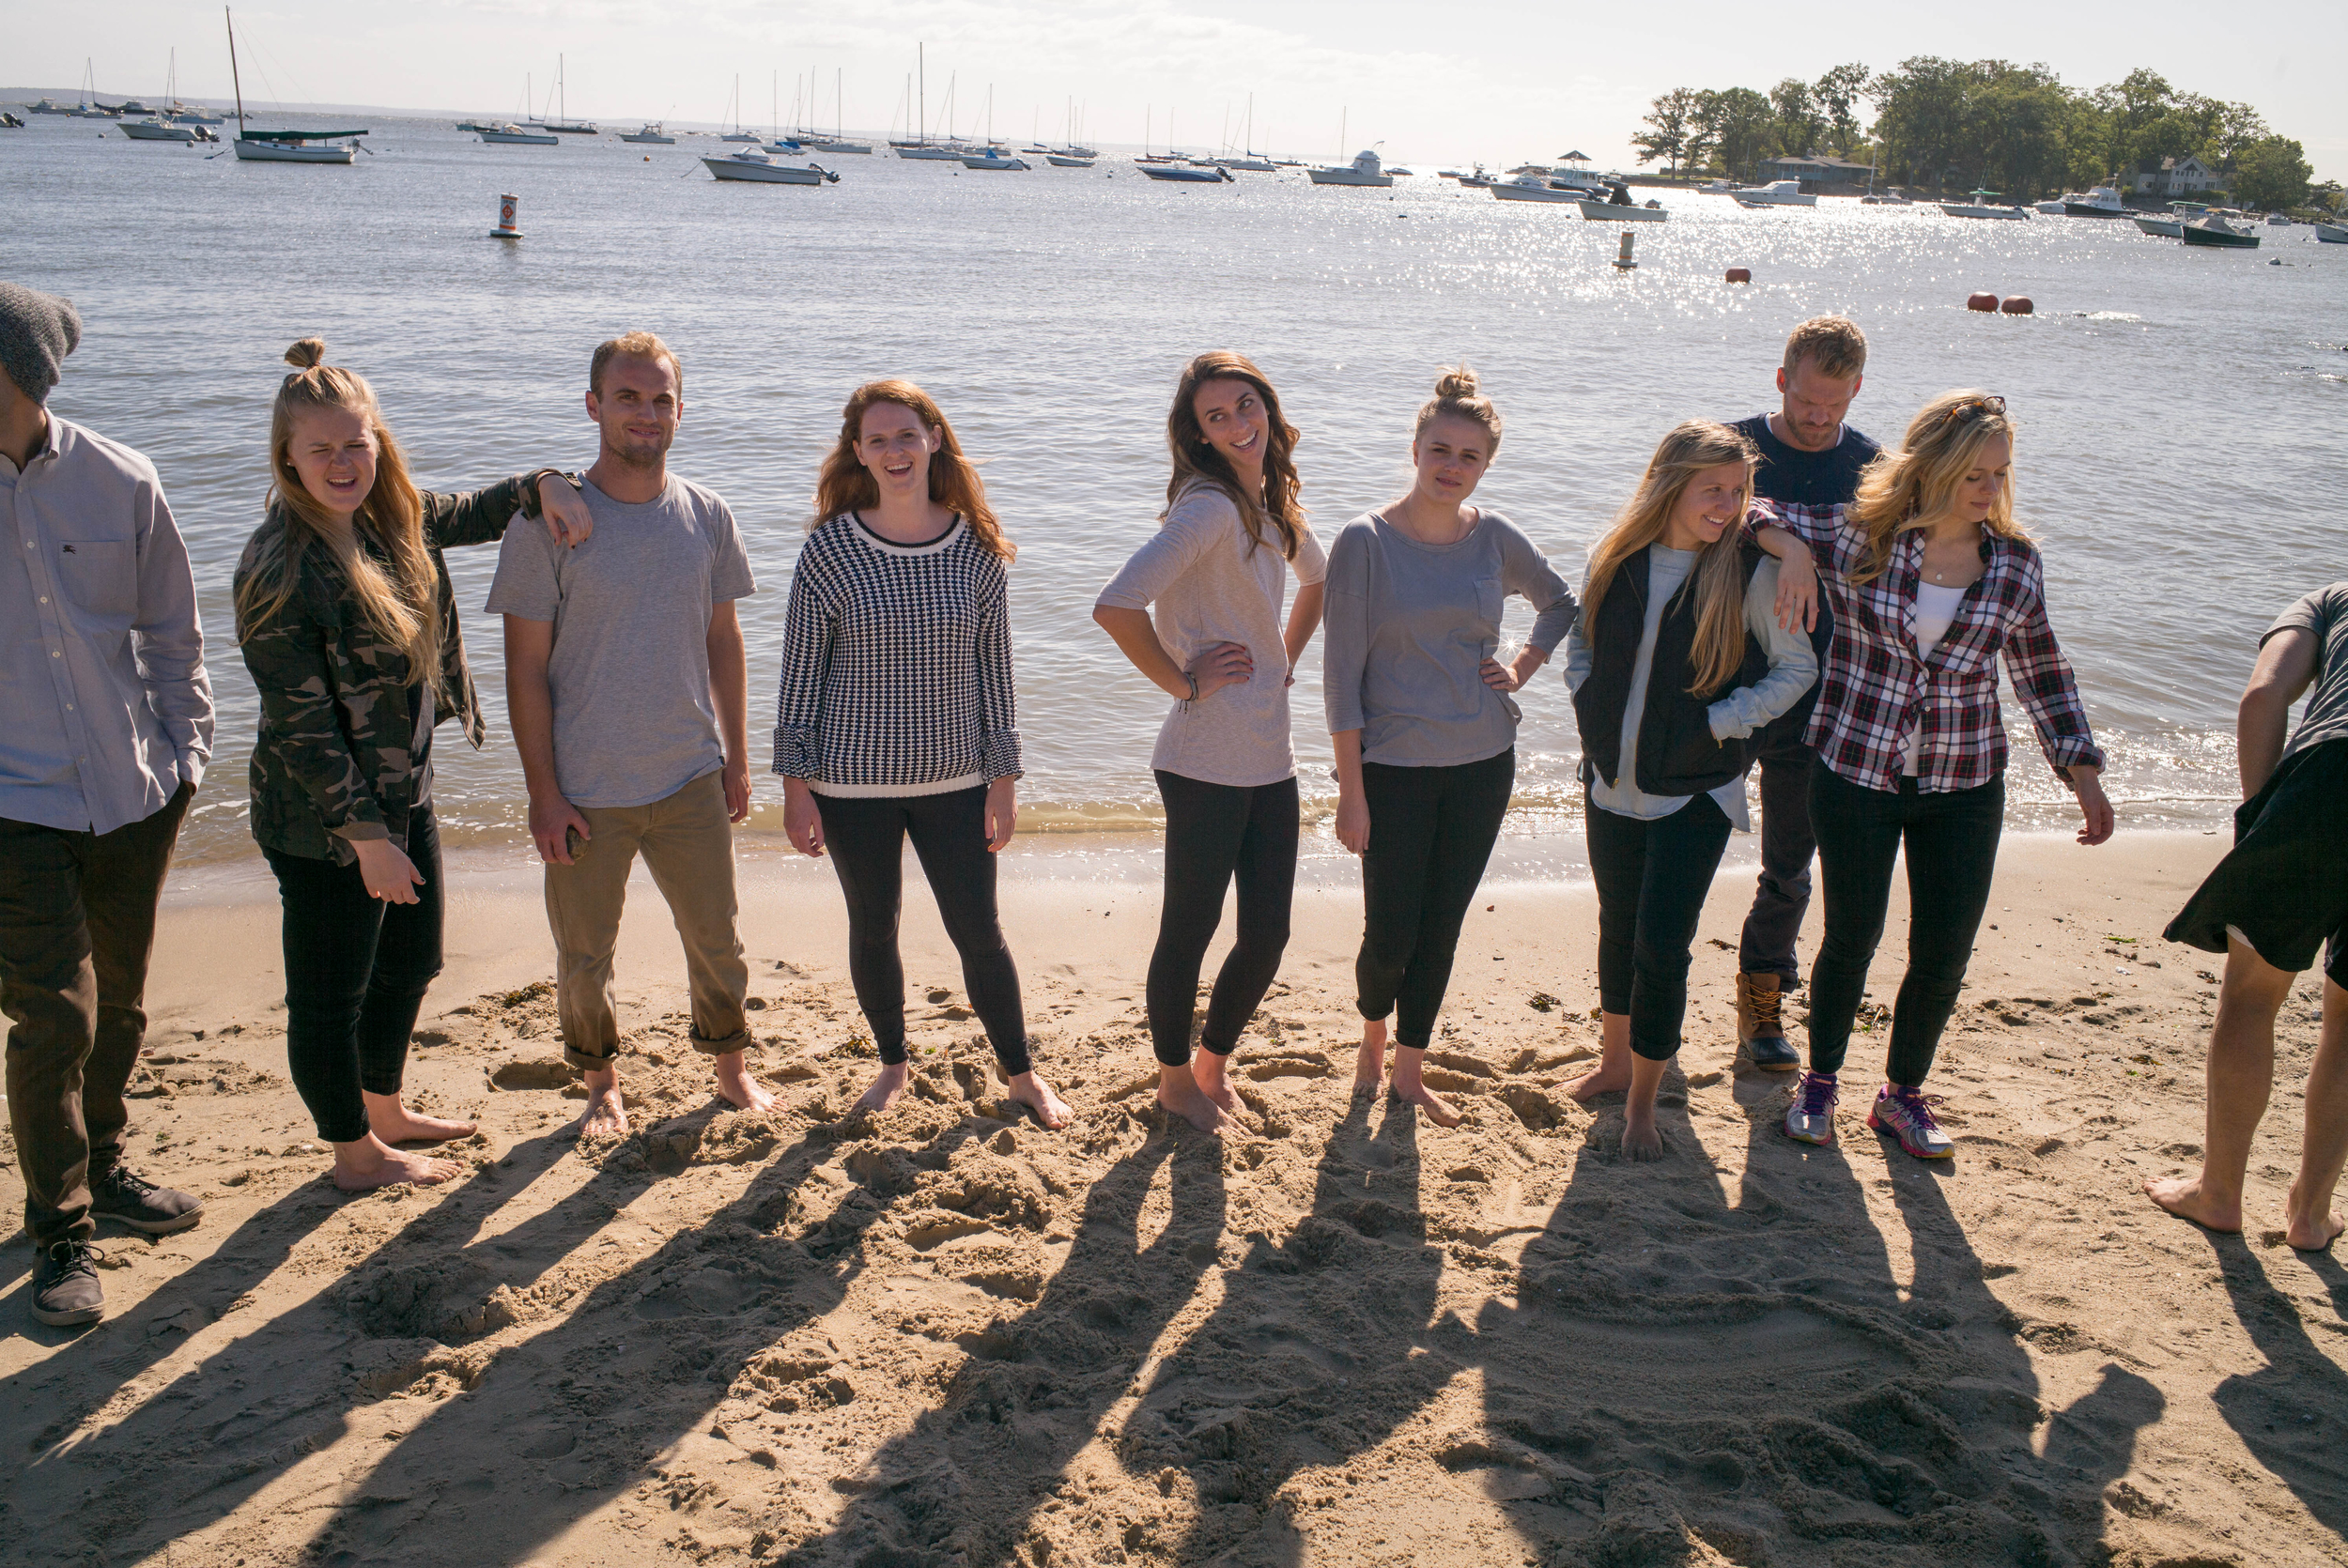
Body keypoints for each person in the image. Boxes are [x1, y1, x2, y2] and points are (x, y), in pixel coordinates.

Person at [235, 339, 595, 1191]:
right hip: (322, 822)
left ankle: (383, 1104)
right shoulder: (277, 566)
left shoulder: (397, 517)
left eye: (355, 443)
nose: (341, 462)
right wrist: (365, 840)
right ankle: (354, 1153)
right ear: (287, 454)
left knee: (413, 960)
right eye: (319, 448)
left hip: (406, 793)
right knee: (330, 992)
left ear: (378, 442)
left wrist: (544, 482)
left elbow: (477, 509)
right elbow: (303, 727)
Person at [1754, 391, 2113, 1159]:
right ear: (1932, 468)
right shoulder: (1860, 538)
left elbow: (2042, 669)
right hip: (1855, 766)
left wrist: (2081, 769)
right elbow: (1753, 507)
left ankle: (1902, 1096)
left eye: (1998, 474)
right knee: (1851, 936)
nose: (1988, 490)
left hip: (1966, 779)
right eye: (1973, 474)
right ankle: (1820, 1082)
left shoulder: (2013, 563)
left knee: (1944, 949)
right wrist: (1789, 549)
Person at [487, 331, 770, 1138]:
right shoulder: (547, 526)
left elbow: (724, 639)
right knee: (584, 954)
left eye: (660, 399)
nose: (645, 414)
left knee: (717, 938)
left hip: (689, 774)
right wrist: (544, 794)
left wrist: (737, 757)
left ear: (679, 410)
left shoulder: (707, 515)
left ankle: (730, 1068)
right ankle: (601, 1081)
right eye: (628, 397)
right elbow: (525, 673)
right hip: (584, 789)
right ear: (593, 406)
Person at [0, 283, 213, 1327]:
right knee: (55, 1016)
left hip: (134, 792)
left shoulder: (121, 478)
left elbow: (173, 636)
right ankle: (61, 1229)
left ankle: (109, 1162)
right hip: (12, 807)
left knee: (120, 1003)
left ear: (24, 374)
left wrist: (188, 760)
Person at [774, 380, 1070, 1130]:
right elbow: (800, 676)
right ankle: (893, 1065)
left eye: (907, 435)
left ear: (933, 438)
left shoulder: (974, 547)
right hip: (849, 783)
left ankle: (1022, 1076)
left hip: (960, 781)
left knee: (979, 931)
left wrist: (1004, 779)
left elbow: (995, 676)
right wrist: (796, 787)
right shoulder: (830, 550)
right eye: (877, 441)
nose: (894, 451)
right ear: (859, 454)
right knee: (873, 928)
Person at [1324, 367, 1574, 1126]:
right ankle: (1372, 1035)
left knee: (1442, 927)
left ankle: (1409, 1069)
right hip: (1393, 772)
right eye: (1440, 449)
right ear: (1415, 447)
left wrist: (1523, 667)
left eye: (1469, 457)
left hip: (1481, 764)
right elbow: (1341, 680)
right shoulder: (1364, 542)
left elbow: (1561, 601)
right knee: (1391, 932)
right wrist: (1351, 791)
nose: (1451, 466)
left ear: (1485, 467)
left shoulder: (1494, 538)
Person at [1560, 423, 1817, 1157]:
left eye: (1739, 492)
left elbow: (1796, 670)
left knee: (1661, 947)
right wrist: (1586, 701)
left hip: (1695, 794)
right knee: (1616, 927)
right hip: (1611, 781)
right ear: (1671, 485)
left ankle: (1646, 1102)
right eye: (1713, 490)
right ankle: (1614, 1066)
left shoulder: (1749, 572)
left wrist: (1720, 723)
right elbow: (1582, 642)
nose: (1727, 505)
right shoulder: (1616, 558)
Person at [1093, 351, 1327, 1134]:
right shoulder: (1209, 510)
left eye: (1245, 405)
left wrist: (1283, 660)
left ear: (1266, 403)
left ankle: (1211, 1066)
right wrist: (1183, 681)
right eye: (1215, 418)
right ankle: (1171, 1083)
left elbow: (1317, 579)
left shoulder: (1267, 504)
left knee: (1267, 934)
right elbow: (1117, 604)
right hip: (1201, 763)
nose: (1237, 425)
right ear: (1196, 436)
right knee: (1189, 933)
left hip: (1270, 756)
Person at [2148, 583, 2348, 1249]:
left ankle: (2219, 1194)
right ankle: (2311, 1215)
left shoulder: (2332, 598)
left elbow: (2263, 696)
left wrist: (2260, 815)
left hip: (2331, 776)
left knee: (2253, 995)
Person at [1726, 315, 1877, 1072]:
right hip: (1721, 682)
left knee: (1789, 865)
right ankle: (1643, 996)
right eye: (1807, 402)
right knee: (1674, 847)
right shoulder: (1735, 446)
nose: (1819, 420)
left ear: (1855, 391)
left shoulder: (1874, 467)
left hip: (1822, 697)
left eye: (1835, 406)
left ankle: (1761, 1008)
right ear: (1782, 380)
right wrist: (1781, 541)